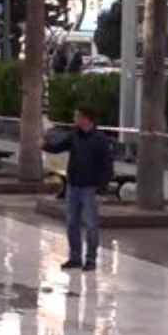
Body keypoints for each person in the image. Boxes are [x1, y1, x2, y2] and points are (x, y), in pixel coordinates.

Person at [42, 106, 114, 272]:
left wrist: (101, 190)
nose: (74, 119)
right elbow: (58, 147)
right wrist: (45, 145)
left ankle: (91, 259)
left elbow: (107, 167)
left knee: (91, 224)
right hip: (74, 186)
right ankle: (75, 257)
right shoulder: (74, 136)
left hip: (90, 188)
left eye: (77, 116)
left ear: (86, 119)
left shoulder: (100, 139)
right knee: (72, 223)